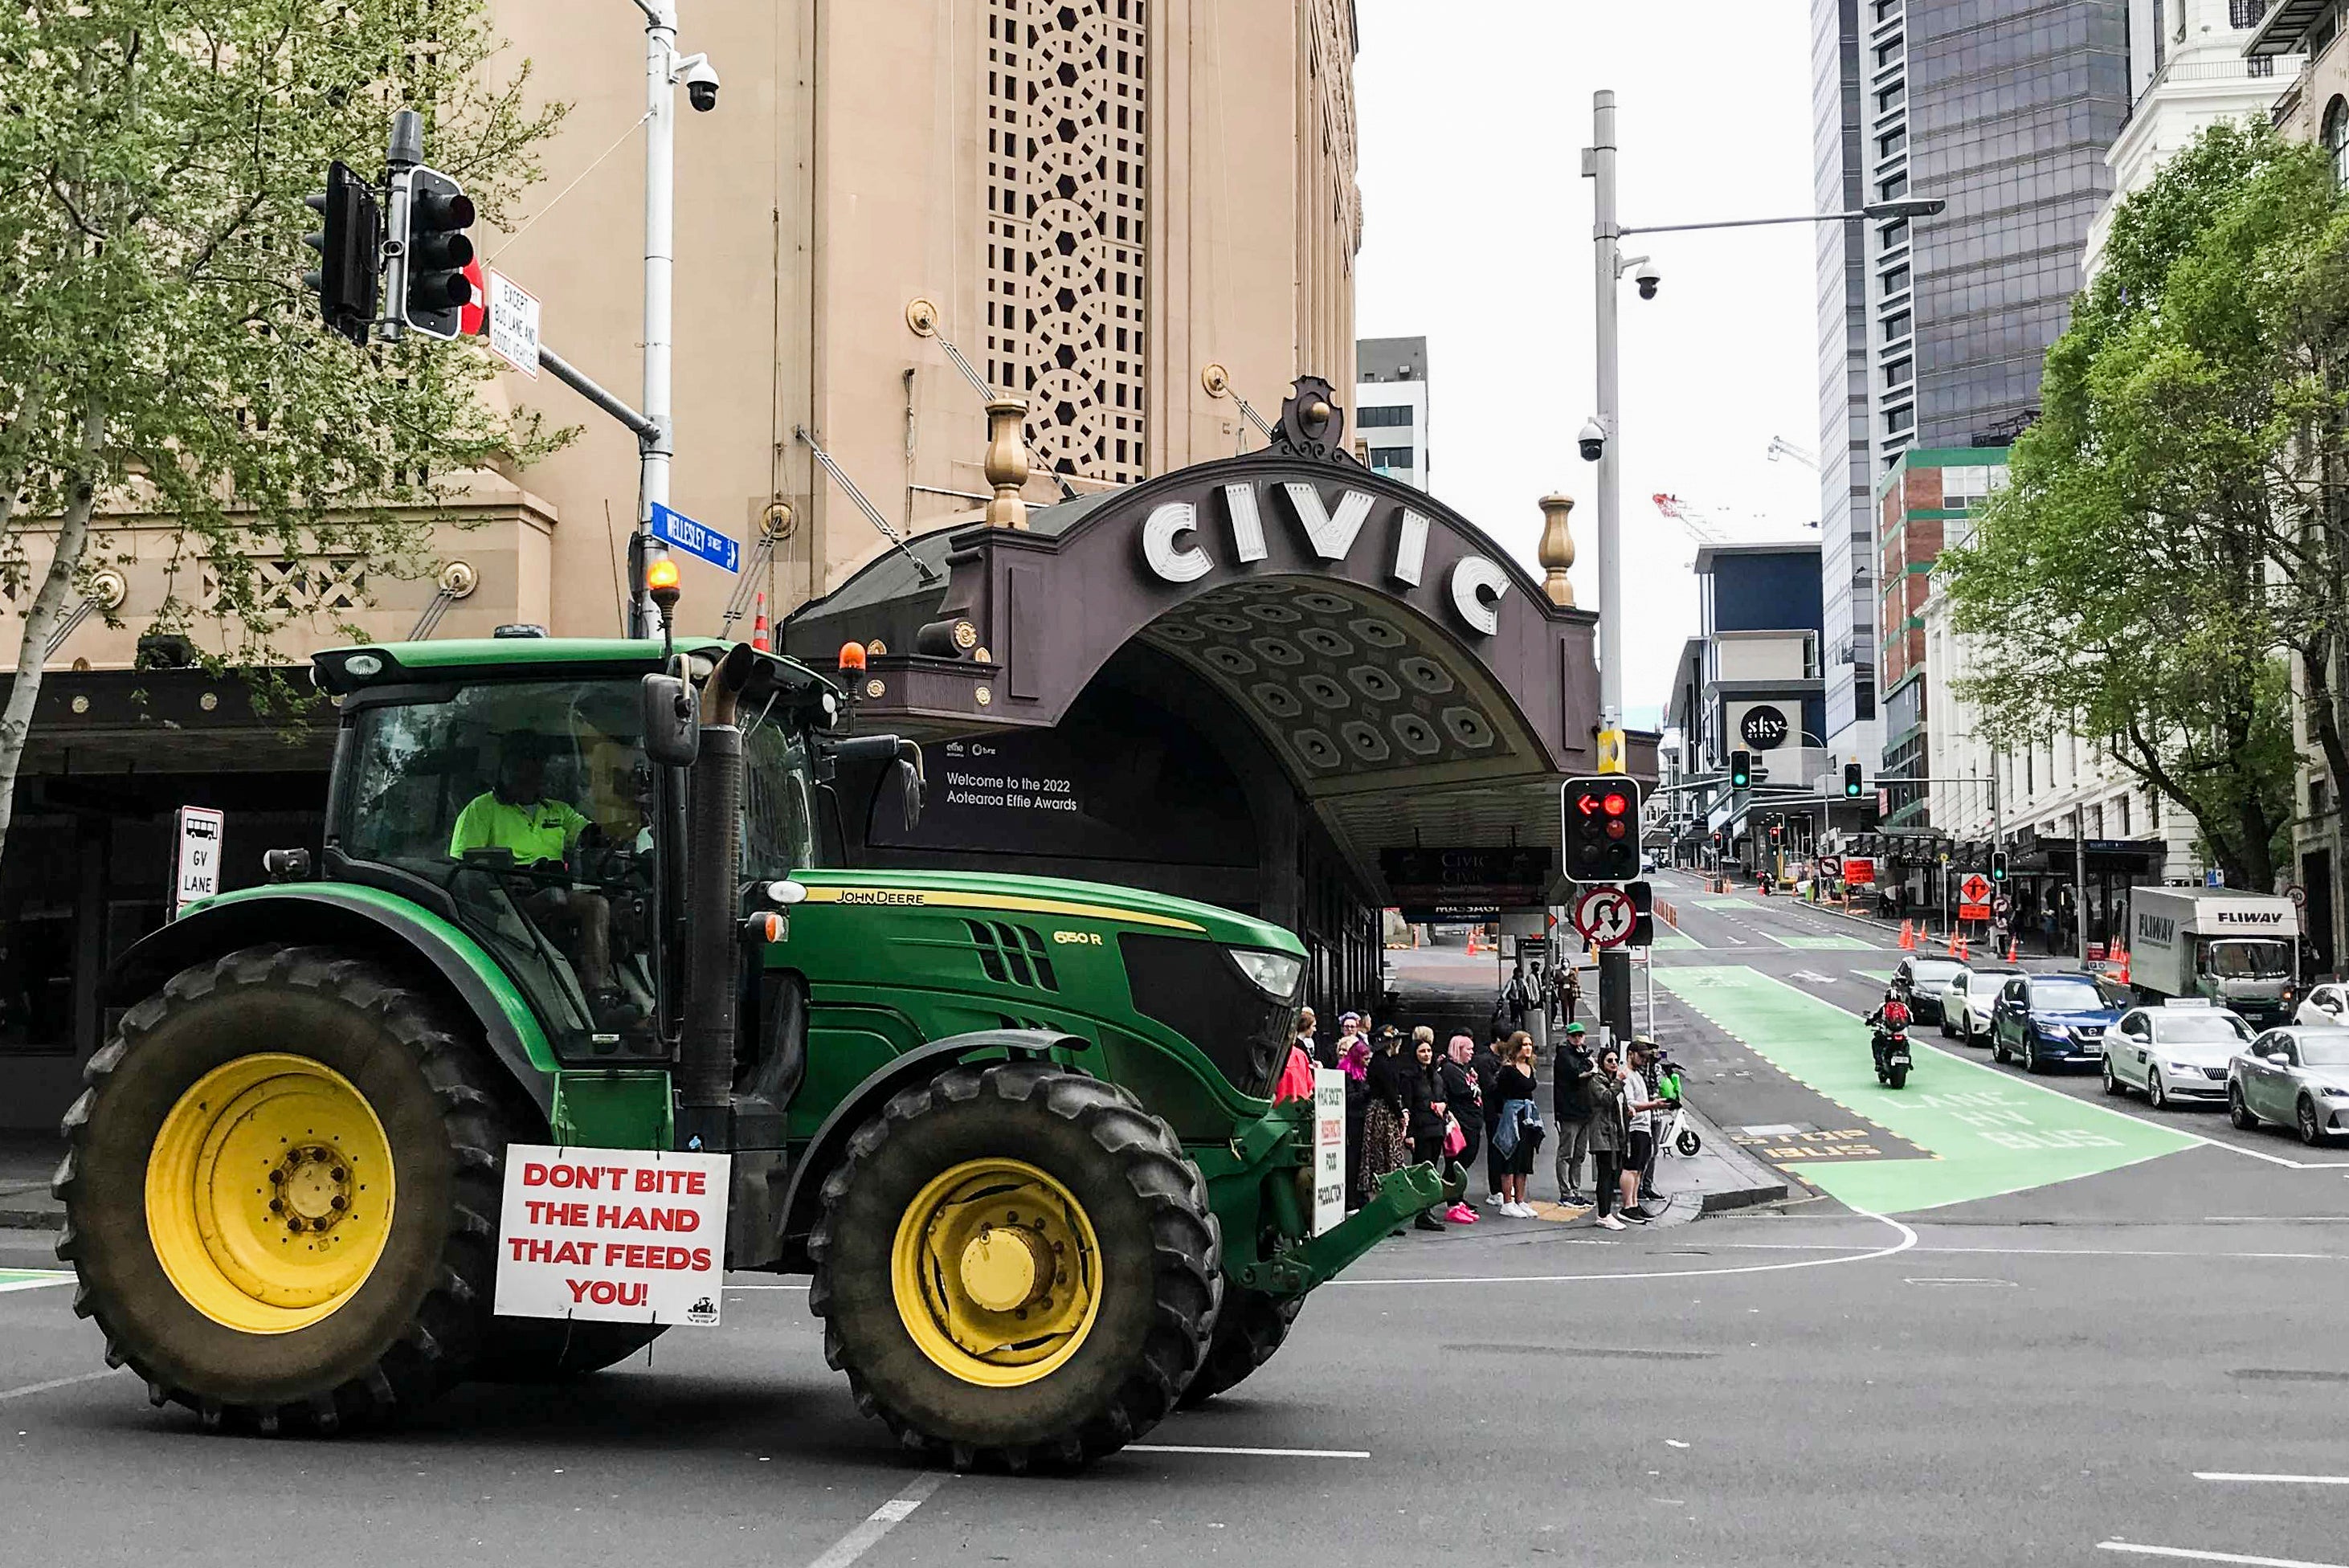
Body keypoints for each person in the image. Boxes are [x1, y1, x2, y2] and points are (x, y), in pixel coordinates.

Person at [450, 733, 619, 1014]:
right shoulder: (481, 810)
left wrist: (620, 827)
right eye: (520, 764)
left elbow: (591, 835)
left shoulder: (558, 811)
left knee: (600, 904)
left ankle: (598, 988)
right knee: (555, 898)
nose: (528, 771)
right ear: (503, 769)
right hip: (506, 899)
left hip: (554, 887)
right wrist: (503, 876)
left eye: (535, 764)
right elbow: (462, 869)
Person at [1488, 1033, 1545, 1218]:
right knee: (1509, 1157)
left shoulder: (1530, 1067)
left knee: (1524, 1159)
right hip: (1512, 1114)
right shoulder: (1508, 1070)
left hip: (1528, 1116)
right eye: (1524, 1045)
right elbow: (1497, 1093)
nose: (1528, 1048)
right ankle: (1507, 1201)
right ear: (1516, 1047)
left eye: (1530, 1044)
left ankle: (1520, 1200)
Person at [1356, 1027, 1411, 1219]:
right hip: (1383, 1113)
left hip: (1385, 1111)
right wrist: (1399, 1113)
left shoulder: (1386, 1062)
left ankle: (1388, 1207)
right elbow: (1388, 1092)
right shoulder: (1381, 1063)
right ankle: (1382, 1209)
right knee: (1382, 1156)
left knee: (1388, 1156)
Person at [1403, 1030, 1451, 1231]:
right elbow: (1408, 1104)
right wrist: (1409, 1134)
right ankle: (1420, 1212)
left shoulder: (1435, 1075)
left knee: (1432, 1169)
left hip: (1436, 1127)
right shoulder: (1409, 1076)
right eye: (1422, 1051)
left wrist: (1443, 1106)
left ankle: (1427, 1210)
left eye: (1429, 1051)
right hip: (1421, 1128)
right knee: (1422, 1170)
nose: (1427, 1054)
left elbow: (1444, 1095)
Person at [1618, 1040, 1671, 1223]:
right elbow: (1629, 1103)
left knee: (1639, 1168)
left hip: (1644, 1126)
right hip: (1635, 1127)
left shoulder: (1636, 1075)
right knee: (1631, 1167)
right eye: (1641, 1056)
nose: (1643, 1060)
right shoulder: (1626, 1075)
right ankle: (1627, 1206)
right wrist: (1653, 1105)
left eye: (1645, 1057)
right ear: (1630, 1053)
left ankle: (1633, 1203)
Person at [1439, 1034, 1485, 1223]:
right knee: (1456, 1162)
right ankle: (1452, 1202)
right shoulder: (1450, 1070)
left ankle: (1458, 1198)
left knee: (1465, 1160)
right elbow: (1462, 1091)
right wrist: (1474, 1089)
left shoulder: (1462, 1069)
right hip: (1461, 1123)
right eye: (1468, 1049)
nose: (1472, 1053)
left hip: (1471, 1121)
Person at [1551, 1021, 1597, 1204]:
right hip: (1569, 1111)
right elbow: (1575, 1074)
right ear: (1568, 1037)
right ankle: (1566, 1192)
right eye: (1574, 1035)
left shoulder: (1583, 1054)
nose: (1577, 1038)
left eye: (1580, 1035)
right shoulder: (1564, 1055)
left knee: (1579, 1154)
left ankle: (1575, 1189)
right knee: (1566, 1153)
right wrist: (1591, 1070)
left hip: (1584, 1110)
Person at [1587, 1047, 1631, 1230]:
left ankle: (1607, 1212)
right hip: (1603, 1133)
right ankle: (1603, 1214)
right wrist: (1618, 1083)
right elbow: (1606, 1098)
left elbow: (1619, 1103)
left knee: (1613, 1173)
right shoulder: (1597, 1080)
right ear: (1602, 1063)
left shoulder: (1612, 1081)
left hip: (1616, 1134)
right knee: (1605, 1173)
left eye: (1615, 1061)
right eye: (1609, 1061)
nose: (1613, 1064)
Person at [1471, 1028, 1509, 1204]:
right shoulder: (1486, 1061)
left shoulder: (1496, 1059)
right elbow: (1490, 1088)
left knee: (1504, 1149)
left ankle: (1502, 1186)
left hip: (1501, 1110)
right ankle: (1496, 1189)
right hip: (1493, 1111)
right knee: (1496, 1150)